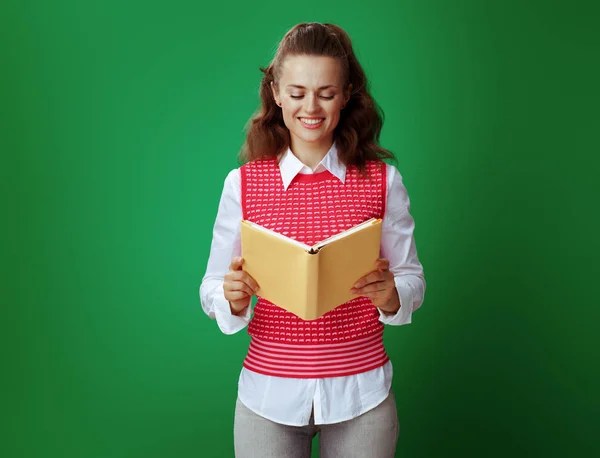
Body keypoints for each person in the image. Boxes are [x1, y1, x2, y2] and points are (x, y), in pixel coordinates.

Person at [199, 22, 425, 458]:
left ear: (346, 94)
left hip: (363, 396)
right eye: (297, 92)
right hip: (267, 397)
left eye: (326, 92)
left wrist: (392, 295)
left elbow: (412, 277)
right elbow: (211, 288)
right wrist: (232, 297)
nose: (311, 107)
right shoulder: (243, 184)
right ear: (276, 93)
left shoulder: (382, 180)